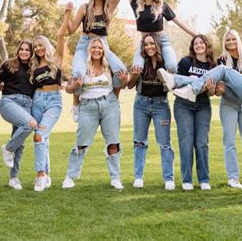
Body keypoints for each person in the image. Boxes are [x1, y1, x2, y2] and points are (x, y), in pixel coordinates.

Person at [158, 30, 242, 188]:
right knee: (229, 141)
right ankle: (233, 178)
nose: (231, 42)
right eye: (227, 39)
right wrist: (216, 90)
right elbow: (215, 90)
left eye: (233, 39)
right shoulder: (224, 59)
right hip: (229, 100)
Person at [67, 0, 132, 120]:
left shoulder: (109, 7)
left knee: (121, 70)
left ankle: (114, 100)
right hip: (84, 43)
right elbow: (71, 30)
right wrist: (67, 14)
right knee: (79, 73)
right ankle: (76, 103)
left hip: (102, 44)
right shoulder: (84, 8)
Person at [62, 37, 127, 190]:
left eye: (99, 48)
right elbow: (68, 89)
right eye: (94, 47)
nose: (96, 50)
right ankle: (70, 176)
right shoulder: (82, 68)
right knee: (81, 143)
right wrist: (75, 86)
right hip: (88, 107)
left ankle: (115, 178)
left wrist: (118, 94)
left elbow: (120, 85)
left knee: (113, 142)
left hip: (109, 105)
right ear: (89, 50)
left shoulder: (109, 67)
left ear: (104, 50)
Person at [29, 3, 73, 192]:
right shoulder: (32, 67)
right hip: (37, 101)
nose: (38, 48)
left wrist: (67, 14)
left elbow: (61, 35)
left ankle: (40, 175)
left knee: (39, 136)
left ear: (45, 46)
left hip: (53, 101)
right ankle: (46, 175)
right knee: (42, 139)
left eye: (40, 45)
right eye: (35, 46)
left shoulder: (56, 59)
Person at [127, 33, 175, 190]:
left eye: (151, 43)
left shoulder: (165, 62)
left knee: (164, 144)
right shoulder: (140, 62)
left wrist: (168, 77)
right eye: (146, 44)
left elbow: (172, 86)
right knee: (139, 142)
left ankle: (168, 178)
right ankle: (138, 177)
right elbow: (129, 85)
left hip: (161, 105)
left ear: (158, 45)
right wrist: (134, 75)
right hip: (141, 104)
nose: (149, 47)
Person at [127, 0, 196, 73]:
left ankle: (168, 83)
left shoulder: (161, 6)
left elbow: (178, 22)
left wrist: (194, 35)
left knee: (172, 66)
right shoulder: (136, 4)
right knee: (137, 67)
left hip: (162, 41)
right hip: (145, 43)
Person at [173, 34, 216, 191]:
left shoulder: (213, 66)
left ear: (206, 45)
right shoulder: (186, 62)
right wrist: (200, 84)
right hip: (183, 104)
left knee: (202, 143)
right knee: (186, 142)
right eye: (195, 43)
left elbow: (212, 93)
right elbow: (178, 85)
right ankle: (187, 180)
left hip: (203, 105)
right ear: (193, 47)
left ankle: (204, 179)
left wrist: (209, 88)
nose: (199, 45)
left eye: (201, 42)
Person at [0, 40, 40, 191]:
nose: (24, 52)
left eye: (27, 50)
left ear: (31, 52)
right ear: (18, 50)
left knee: (20, 144)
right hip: (9, 101)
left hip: (27, 104)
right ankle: (8, 148)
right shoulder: (9, 64)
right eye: (22, 49)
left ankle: (13, 178)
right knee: (30, 124)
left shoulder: (35, 68)